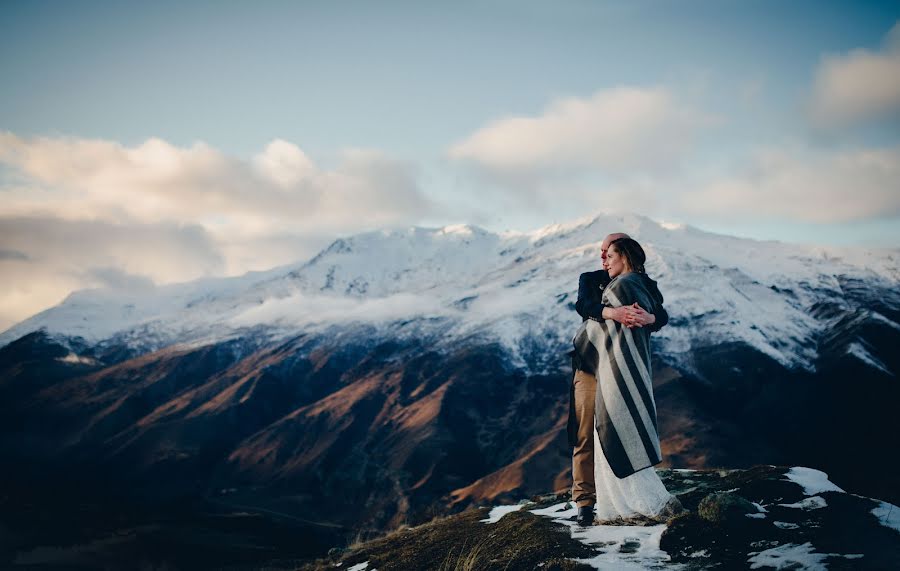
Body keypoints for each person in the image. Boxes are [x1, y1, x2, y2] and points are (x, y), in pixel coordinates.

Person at [568, 234, 676, 526]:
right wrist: (615, 313)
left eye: (607, 251)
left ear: (624, 252)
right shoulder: (591, 278)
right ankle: (584, 501)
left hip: (618, 366)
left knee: (617, 425)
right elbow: (585, 305)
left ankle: (618, 492)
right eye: (601, 252)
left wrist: (648, 319)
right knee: (585, 430)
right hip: (591, 366)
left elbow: (660, 313)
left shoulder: (643, 283)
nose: (602, 257)